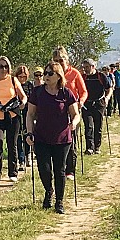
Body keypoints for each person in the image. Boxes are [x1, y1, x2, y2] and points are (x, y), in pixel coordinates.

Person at [25, 62, 81, 214]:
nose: (46, 76)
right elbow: (30, 114)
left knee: (60, 170)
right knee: (44, 168)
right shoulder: (37, 92)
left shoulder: (66, 93)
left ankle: (59, 201)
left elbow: (76, 114)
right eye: (46, 73)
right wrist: (29, 132)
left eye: (50, 73)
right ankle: (49, 191)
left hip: (62, 138)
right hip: (41, 137)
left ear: (59, 76)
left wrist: (74, 124)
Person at [0, 55, 27, 183]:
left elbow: (23, 96)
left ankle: (12, 172)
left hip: (12, 116)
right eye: (1, 66)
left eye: (6, 66)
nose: (3, 69)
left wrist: (22, 103)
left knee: (12, 143)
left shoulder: (13, 80)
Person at [50, 46, 87, 180]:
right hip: (56, 112)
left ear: (67, 59)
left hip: (73, 111)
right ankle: (59, 167)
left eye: (61, 60)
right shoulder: (51, 74)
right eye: (56, 60)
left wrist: (80, 102)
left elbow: (83, 92)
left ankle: (70, 170)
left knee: (70, 140)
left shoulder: (74, 73)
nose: (59, 63)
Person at [80, 58, 112, 154]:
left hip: (99, 103)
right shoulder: (83, 77)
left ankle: (97, 147)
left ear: (93, 66)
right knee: (88, 126)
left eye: (87, 67)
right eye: (84, 67)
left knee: (98, 125)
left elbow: (109, 88)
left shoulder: (101, 76)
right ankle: (89, 147)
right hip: (86, 104)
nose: (85, 69)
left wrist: (107, 98)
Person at [14, 65, 33, 171]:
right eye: (20, 76)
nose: (22, 79)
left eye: (24, 77)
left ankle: (28, 155)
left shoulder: (30, 86)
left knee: (27, 134)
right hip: (16, 112)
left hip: (28, 112)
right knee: (18, 137)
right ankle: (21, 160)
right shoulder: (14, 85)